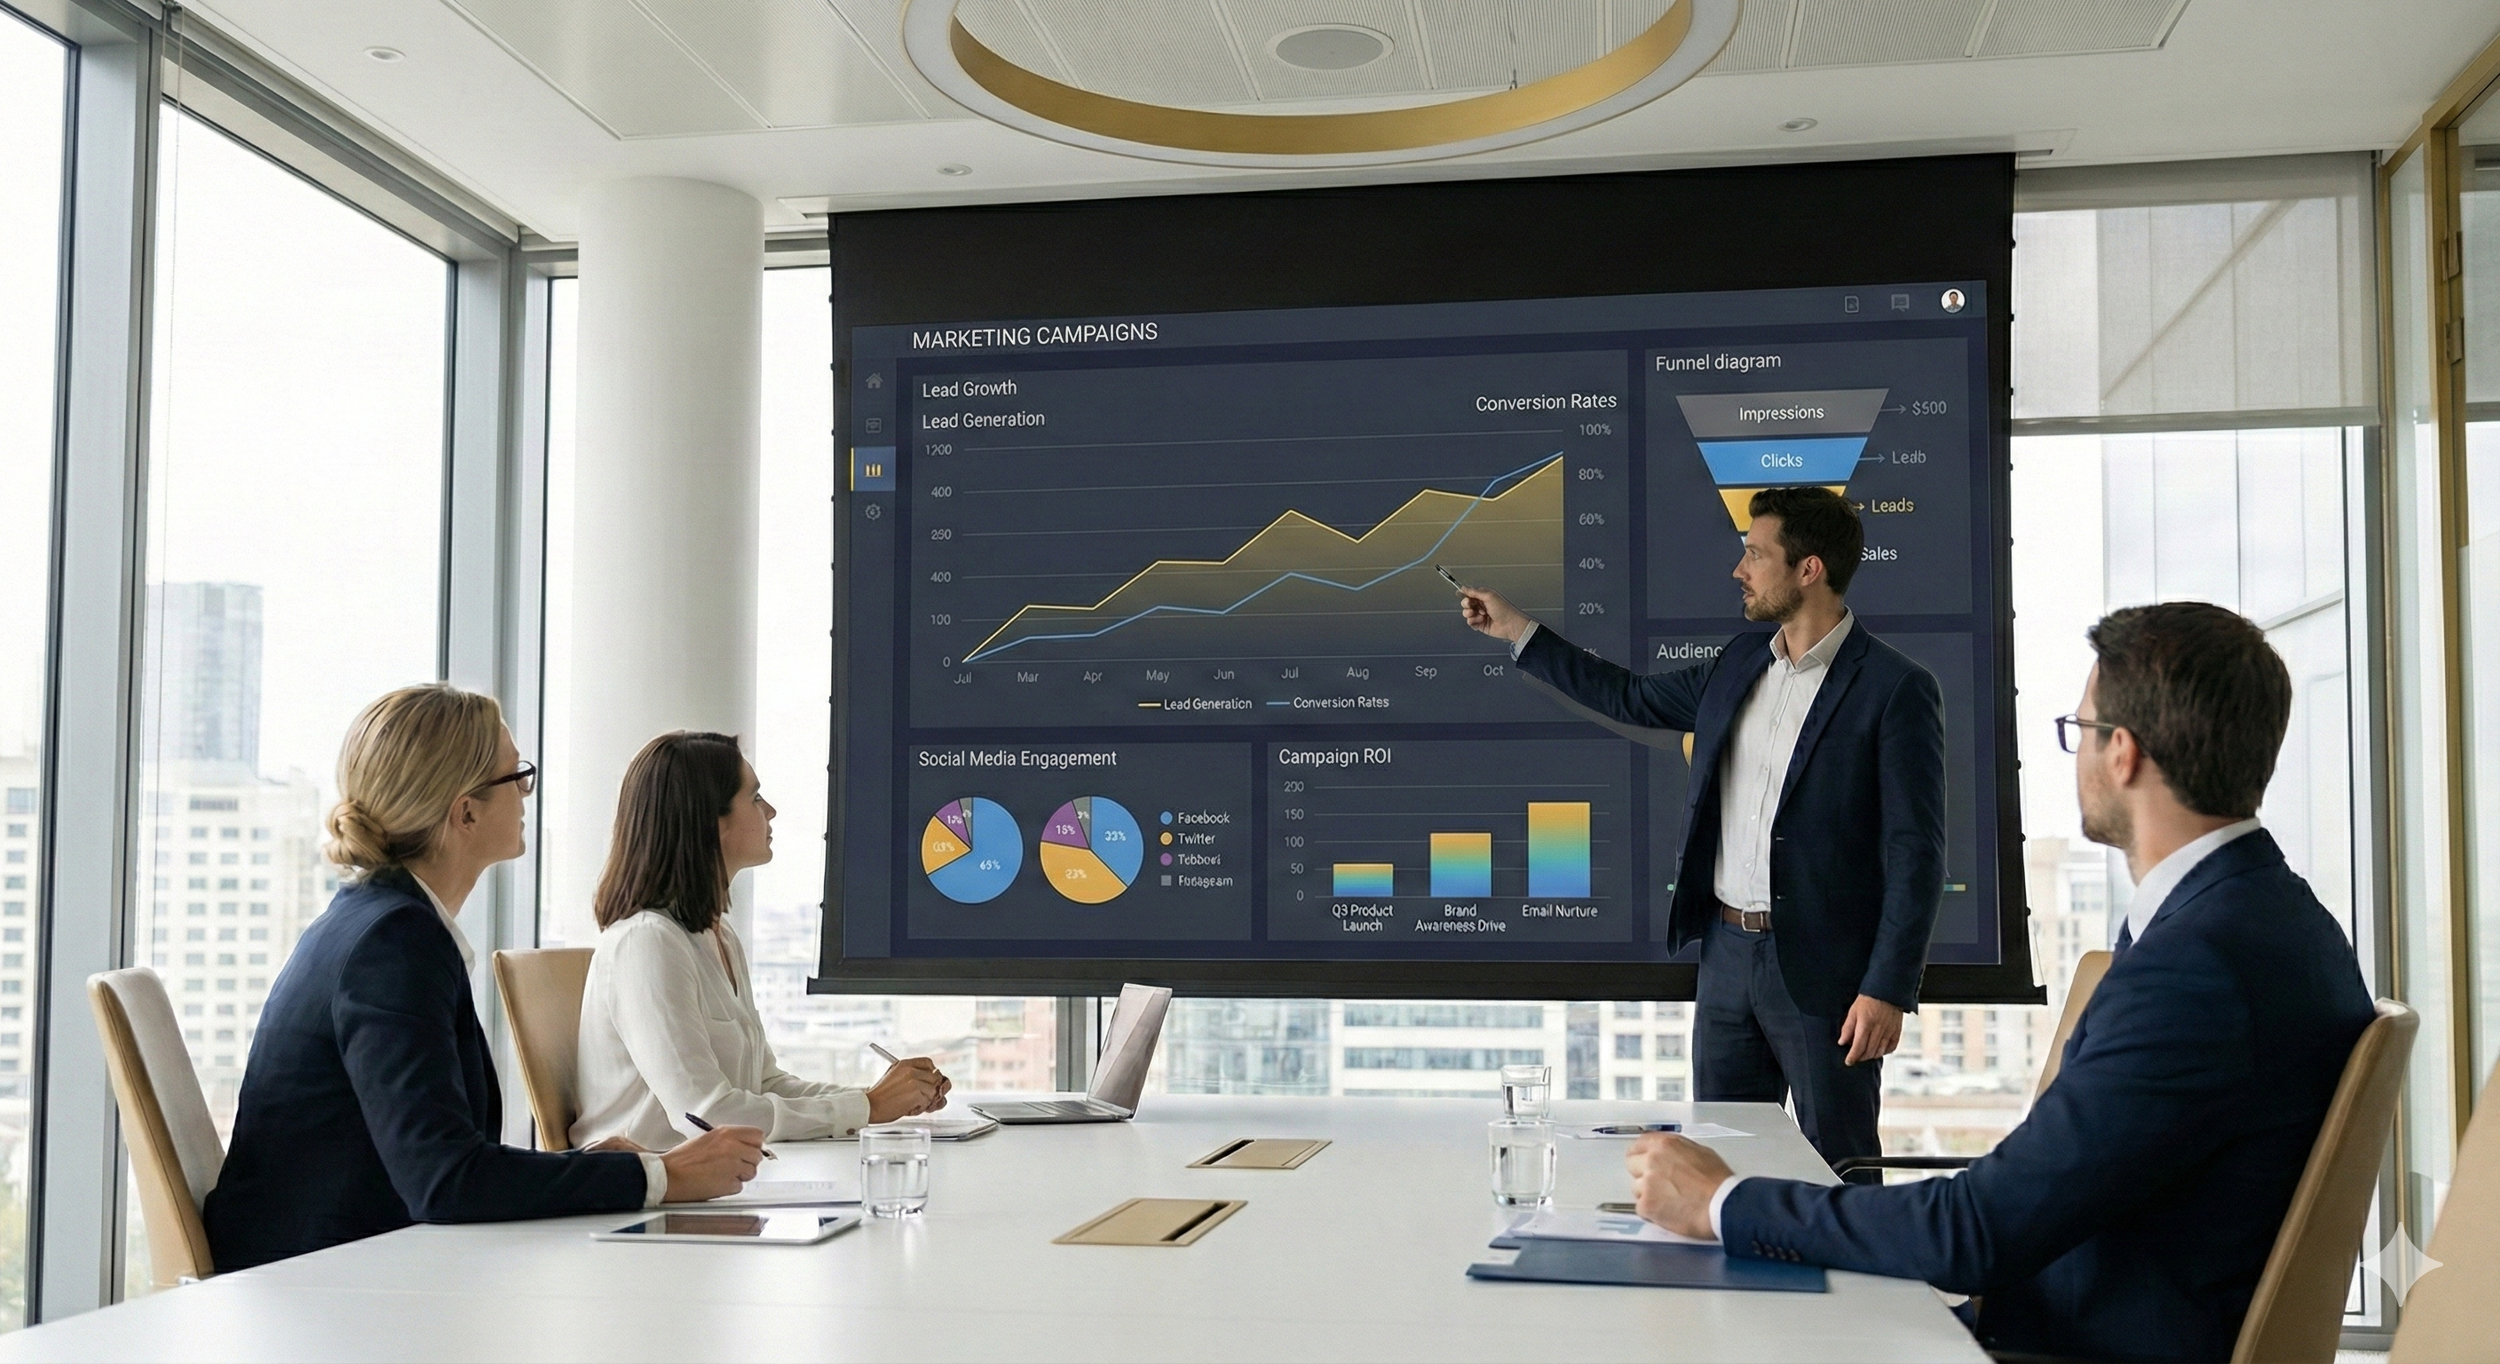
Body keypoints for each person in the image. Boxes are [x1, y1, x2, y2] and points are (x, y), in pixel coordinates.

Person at [1623, 602, 2376, 1363]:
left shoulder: (2198, 968)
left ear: (2123, 753)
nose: (2075, 753)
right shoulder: (2276, 919)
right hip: (2072, 1314)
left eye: (2078, 731)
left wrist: (1722, 1202)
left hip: (2066, 1343)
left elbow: (1976, 1233)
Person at [1460, 485, 1943, 1165]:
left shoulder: (1895, 688)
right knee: (1724, 1163)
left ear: (1809, 570)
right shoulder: (1739, 663)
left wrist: (1887, 988)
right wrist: (1518, 632)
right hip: (1725, 958)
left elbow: (1915, 852)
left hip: (1826, 972)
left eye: (1755, 554)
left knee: (1839, 1166)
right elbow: (1628, 696)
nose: (1739, 570)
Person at [204, 685, 762, 1273]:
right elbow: (445, 1181)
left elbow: (443, 1161)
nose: (526, 795)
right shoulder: (393, 945)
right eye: (516, 777)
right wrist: (659, 1175)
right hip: (322, 1290)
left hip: (349, 1268)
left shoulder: (380, 923)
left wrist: (602, 1167)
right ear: (465, 811)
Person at [571, 732, 950, 1151]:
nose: (770, 811)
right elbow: (706, 1116)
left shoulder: (718, 936)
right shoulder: (646, 944)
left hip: (722, 1181)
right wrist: (867, 1106)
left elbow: (765, 1084)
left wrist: (877, 1099)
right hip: (657, 1189)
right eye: (754, 798)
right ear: (712, 824)